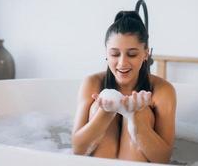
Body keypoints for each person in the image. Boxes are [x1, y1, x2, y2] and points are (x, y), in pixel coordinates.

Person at [72, 10, 176, 163]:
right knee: (98, 107)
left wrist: (136, 121)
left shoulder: (162, 90)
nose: (122, 63)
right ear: (106, 53)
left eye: (132, 54)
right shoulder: (92, 83)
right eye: (115, 54)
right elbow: (77, 149)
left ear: (146, 53)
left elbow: (163, 159)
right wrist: (105, 113)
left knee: (142, 112)